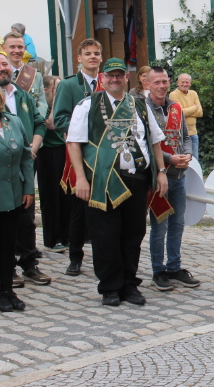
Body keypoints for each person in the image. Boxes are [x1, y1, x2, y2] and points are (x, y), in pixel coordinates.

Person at [67, 58, 168, 306]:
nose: (115, 80)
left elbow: (155, 141)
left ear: (126, 78)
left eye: (119, 75)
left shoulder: (140, 106)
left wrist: (161, 172)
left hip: (137, 179)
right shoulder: (87, 105)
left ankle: (129, 284)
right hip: (102, 181)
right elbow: (74, 143)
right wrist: (81, 178)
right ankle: (110, 287)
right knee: (105, 236)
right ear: (103, 78)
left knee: (133, 235)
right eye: (110, 76)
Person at [145, 67, 200, 292]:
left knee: (177, 224)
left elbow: (186, 136)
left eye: (164, 82)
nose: (161, 86)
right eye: (156, 82)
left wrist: (187, 155)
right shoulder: (143, 109)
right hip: (159, 177)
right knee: (160, 226)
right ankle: (158, 271)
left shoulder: (176, 107)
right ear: (148, 84)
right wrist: (170, 158)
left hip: (179, 175)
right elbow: (146, 144)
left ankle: (174, 267)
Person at [53, 38, 103, 276]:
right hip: (79, 153)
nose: (92, 57)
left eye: (96, 53)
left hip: (104, 154)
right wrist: (83, 131)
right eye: (88, 53)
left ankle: (104, 256)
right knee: (78, 210)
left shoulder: (108, 81)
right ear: (79, 58)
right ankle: (75, 257)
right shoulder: (69, 85)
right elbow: (60, 119)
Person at [0, 51, 49, 288]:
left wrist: (33, 147)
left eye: (4, 64)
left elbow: (40, 123)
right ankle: (7, 269)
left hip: (22, 166)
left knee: (26, 218)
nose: (3, 68)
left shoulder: (22, 94)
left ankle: (29, 263)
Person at [0, 89, 34, 313]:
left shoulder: (12, 121)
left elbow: (25, 156)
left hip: (12, 194)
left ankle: (7, 289)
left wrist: (29, 188)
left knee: (7, 245)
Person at [38, 75, 71, 252]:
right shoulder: (43, 106)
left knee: (65, 195)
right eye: (57, 89)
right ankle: (53, 238)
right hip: (47, 152)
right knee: (51, 196)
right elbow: (51, 124)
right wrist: (56, 101)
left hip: (62, 149)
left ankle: (66, 235)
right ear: (47, 90)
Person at [2, 31, 47, 118]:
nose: (17, 51)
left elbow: (42, 103)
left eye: (20, 47)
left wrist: (36, 121)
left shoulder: (35, 75)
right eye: (12, 47)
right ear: (4, 48)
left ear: (24, 48)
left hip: (30, 122)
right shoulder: (1, 74)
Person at [169, 73, 203, 160]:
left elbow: (200, 113)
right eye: (182, 82)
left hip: (193, 133)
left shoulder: (193, 94)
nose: (185, 84)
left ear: (190, 83)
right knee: (183, 160)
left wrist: (185, 111)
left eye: (187, 82)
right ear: (178, 83)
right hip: (181, 135)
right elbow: (178, 113)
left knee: (195, 161)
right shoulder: (173, 95)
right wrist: (194, 107)